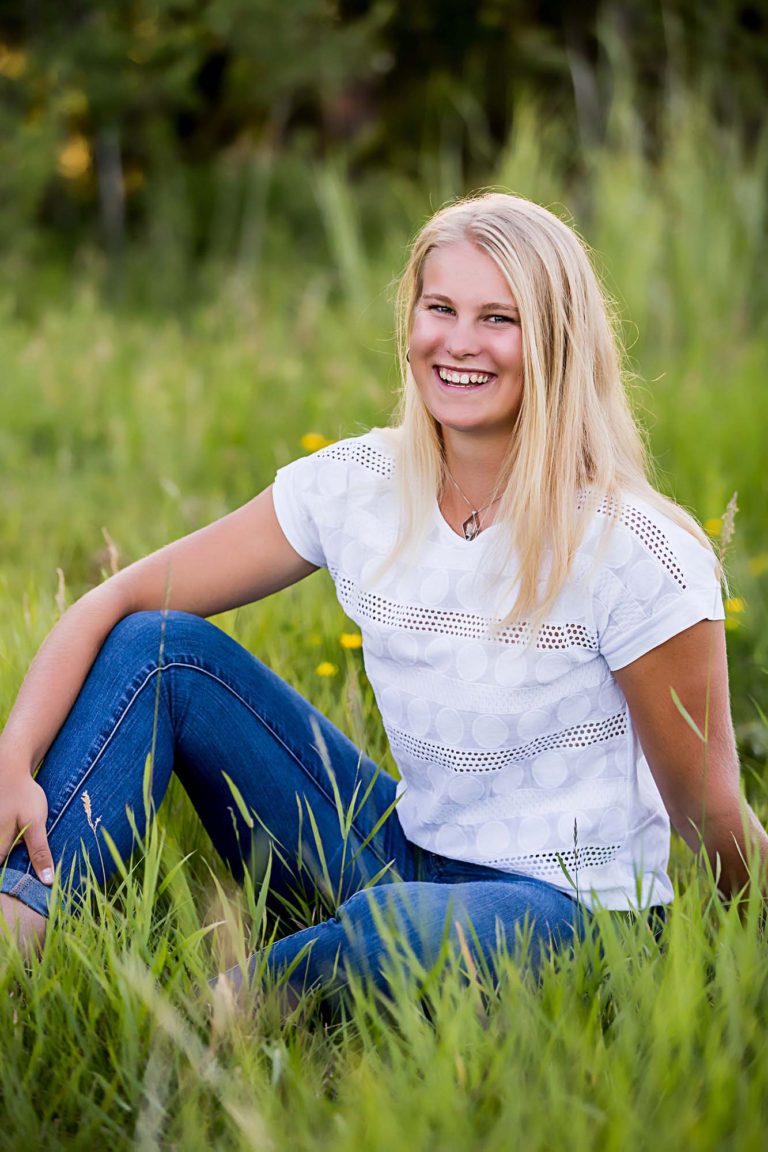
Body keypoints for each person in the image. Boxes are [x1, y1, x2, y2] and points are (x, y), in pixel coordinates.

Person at [1, 192, 766, 998]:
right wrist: (13, 757)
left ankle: (207, 1011)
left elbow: (709, 811)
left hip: (569, 916)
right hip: (401, 853)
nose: (459, 343)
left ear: (556, 343)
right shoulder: (357, 485)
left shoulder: (634, 550)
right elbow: (115, 602)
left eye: (498, 319)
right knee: (158, 647)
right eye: (441, 308)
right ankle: (19, 945)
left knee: (402, 931)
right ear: (411, 321)